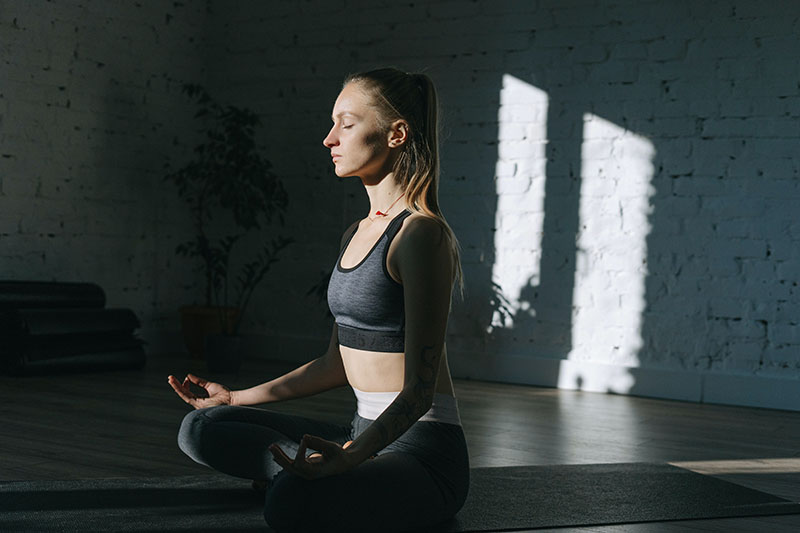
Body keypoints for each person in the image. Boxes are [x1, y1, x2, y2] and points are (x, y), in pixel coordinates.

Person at [167, 67, 469, 533]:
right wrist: (235, 397)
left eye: (346, 124)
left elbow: (419, 392)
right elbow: (334, 364)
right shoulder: (355, 233)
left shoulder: (420, 235)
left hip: (421, 450)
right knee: (203, 427)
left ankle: (302, 478)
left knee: (290, 503)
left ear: (396, 134)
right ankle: (307, 473)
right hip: (359, 432)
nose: (330, 138)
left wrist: (349, 458)